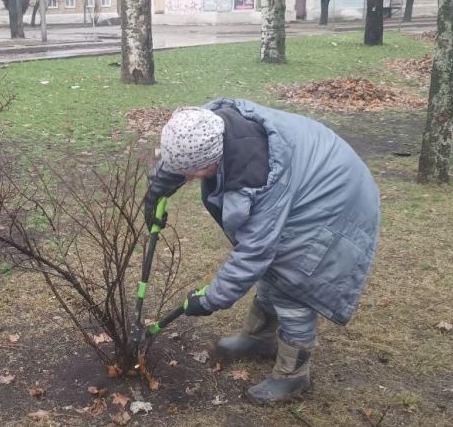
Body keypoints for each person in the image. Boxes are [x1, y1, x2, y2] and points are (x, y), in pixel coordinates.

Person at [144, 98, 380, 405]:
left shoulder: (259, 179)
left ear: (215, 160)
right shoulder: (201, 126)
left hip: (334, 198)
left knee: (292, 281)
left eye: (194, 174)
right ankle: (260, 337)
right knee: (274, 268)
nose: (189, 179)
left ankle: (292, 375)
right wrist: (155, 194)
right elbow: (180, 155)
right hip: (309, 170)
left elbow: (254, 252)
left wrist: (210, 299)